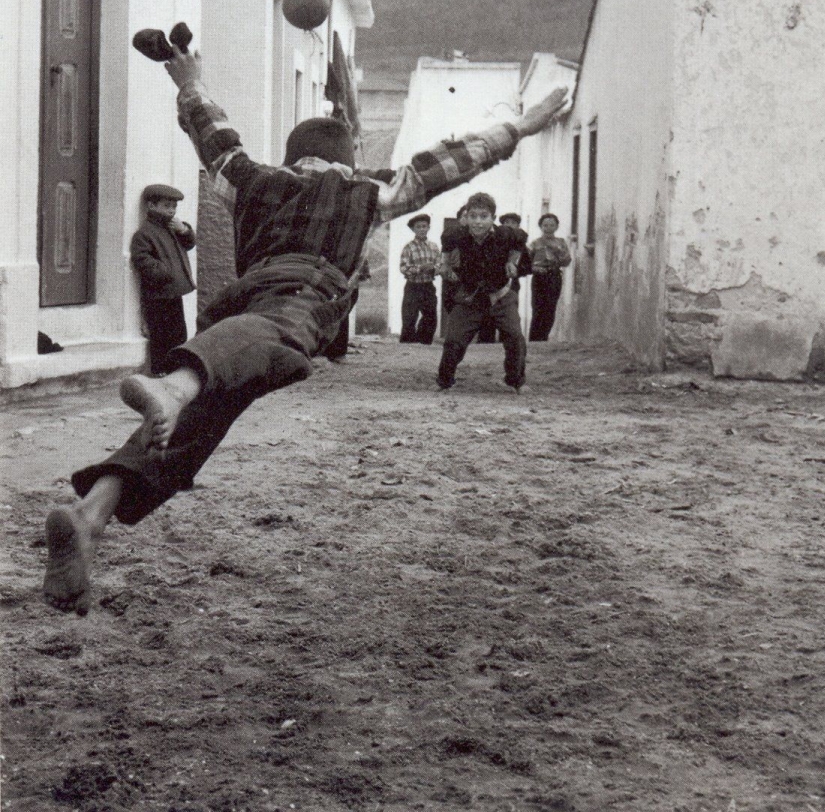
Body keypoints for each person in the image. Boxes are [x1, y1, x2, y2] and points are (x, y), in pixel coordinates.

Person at [41, 40, 568, 615]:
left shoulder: (250, 179)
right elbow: (453, 160)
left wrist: (187, 78)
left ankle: (90, 515)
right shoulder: (368, 189)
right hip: (299, 298)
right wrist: (521, 127)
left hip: (239, 305)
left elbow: (214, 135)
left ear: (294, 156)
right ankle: (172, 386)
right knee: (271, 342)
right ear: (345, 159)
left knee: (194, 425)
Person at [437, 193, 527, 392]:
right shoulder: (456, 235)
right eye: (473, 216)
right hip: (471, 297)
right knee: (453, 340)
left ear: (493, 218)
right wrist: (445, 265)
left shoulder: (506, 234)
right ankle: (445, 382)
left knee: (515, 337)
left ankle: (515, 382)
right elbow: (446, 244)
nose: (478, 222)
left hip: (501, 296)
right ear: (466, 217)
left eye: (484, 217)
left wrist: (512, 261)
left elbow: (521, 240)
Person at [130, 184, 196, 376]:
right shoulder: (145, 233)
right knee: (160, 333)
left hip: (174, 291)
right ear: (151, 206)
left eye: (174, 206)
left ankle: (176, 367)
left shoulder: (172, 227)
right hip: (158, 293)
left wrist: (184, 230)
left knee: (179, 331)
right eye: (166, 206)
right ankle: (160, 369)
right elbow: (141, 258)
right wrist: (165, 272)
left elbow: (189, 243)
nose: (171, 210)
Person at [528, 213, 572, 342]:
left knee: (550, 308)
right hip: (539, 278)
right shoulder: (535, 243)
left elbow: (567, 261)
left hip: (554, 278)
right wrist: (535, 268)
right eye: (545, 225)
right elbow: (526, 263)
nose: (548, 228)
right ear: (540, 226)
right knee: (537, 308)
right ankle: (534, 340)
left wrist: (558, 253)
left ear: (557, 226)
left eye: (552, 225)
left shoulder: (561, 242)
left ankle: (544, 338)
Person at [399, 214, 440, 344]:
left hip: (428, 286)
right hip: (413, 287)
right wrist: (420, 268)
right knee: (409, 318)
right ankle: (407, 346)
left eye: (424, 226)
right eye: (418, 227)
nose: (422, 229)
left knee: (430, 317)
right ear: (413, 229)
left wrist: (434, 269)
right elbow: (403, 268)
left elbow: (440, 264)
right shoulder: (408, 247)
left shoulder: (434, 247)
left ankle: (424, 344)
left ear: (428, 227)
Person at [497, 212, 532, 294]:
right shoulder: (495, 240)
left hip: (512, 285)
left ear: (518, 226)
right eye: (507, 222)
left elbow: (527, 266)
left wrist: (516, 270)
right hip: (494, 283)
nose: (509, 225)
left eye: (513, 223)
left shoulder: (520, 245)